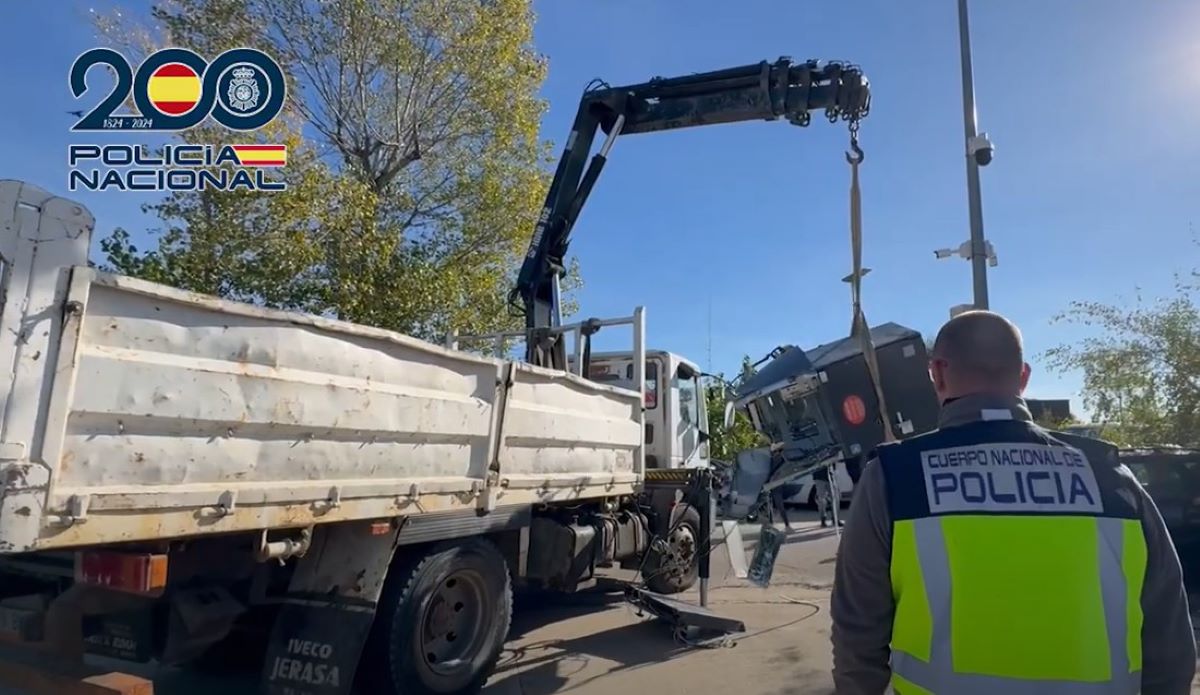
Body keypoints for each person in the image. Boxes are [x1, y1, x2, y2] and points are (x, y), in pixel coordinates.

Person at [830, 310, 1196, 694]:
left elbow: (857, 635)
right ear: (1023, 377)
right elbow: (1167, 636)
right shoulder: (1112, 478)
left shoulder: (895, 477)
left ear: (937, 372)